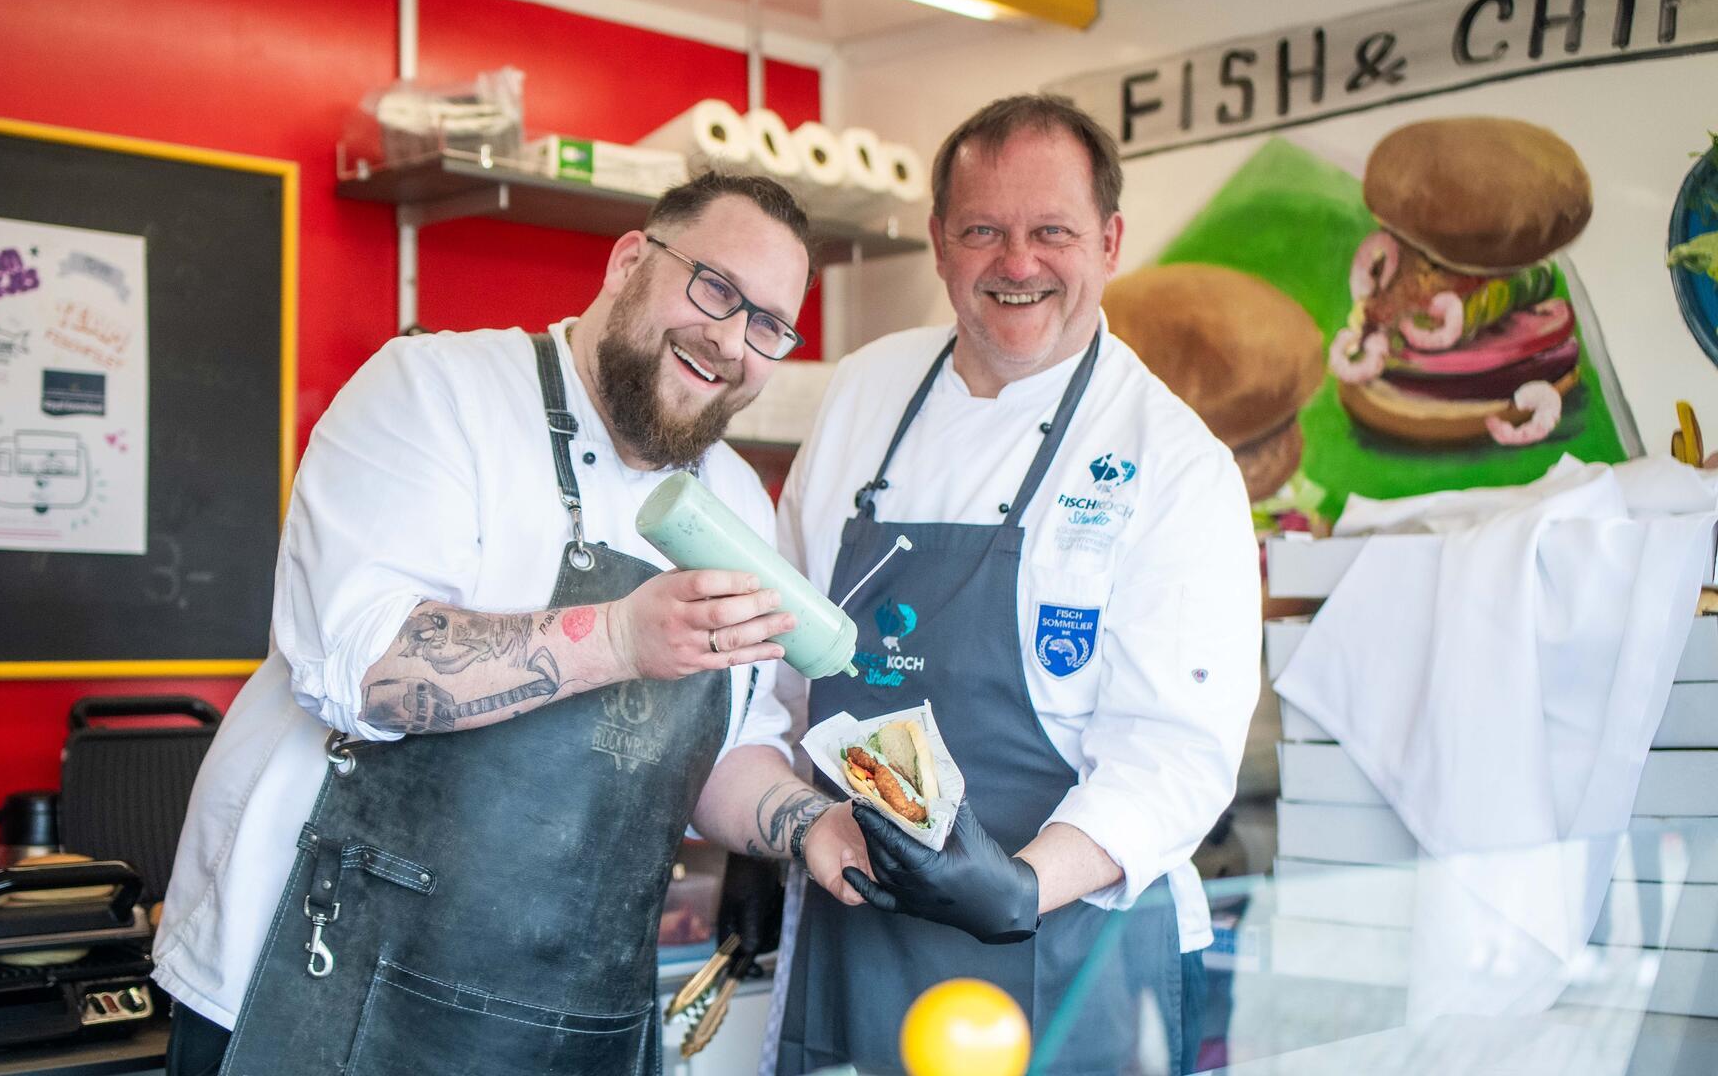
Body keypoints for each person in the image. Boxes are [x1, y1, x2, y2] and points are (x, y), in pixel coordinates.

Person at [152, 171, 874, 1076]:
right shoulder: (434, 393)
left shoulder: (731, 501)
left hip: (569, 1023)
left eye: (768, 324)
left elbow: (725, 749)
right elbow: (361, 664)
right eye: (715, 289)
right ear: (628, 264)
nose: (731, 340)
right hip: (322, 993)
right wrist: (618, 638)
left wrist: (814, 825)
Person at [768, 94, 1262, 1074]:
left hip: (1062, 933)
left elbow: (1176, 756)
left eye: (1052, 233)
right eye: (984, 231)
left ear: (1110, 241)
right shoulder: (867, 390)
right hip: (854, 915)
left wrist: (1023, 886)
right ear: (940, 243)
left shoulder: (1170, 460)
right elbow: (782, 660)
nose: (1018, 264)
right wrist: (793, 816)